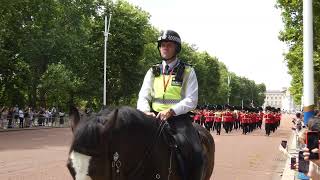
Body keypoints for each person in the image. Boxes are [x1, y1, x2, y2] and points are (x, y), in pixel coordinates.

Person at [137, 30, 204, 179]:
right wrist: (145, 111)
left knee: (196, 153)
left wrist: (172, 111)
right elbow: (143, 95)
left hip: (178, 120)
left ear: (176, 48)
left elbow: (192, 99)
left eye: (169, 45)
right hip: (154, 118)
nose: (164, 48)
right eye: (162, 45)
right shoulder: (152, 71)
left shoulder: (188, 71)